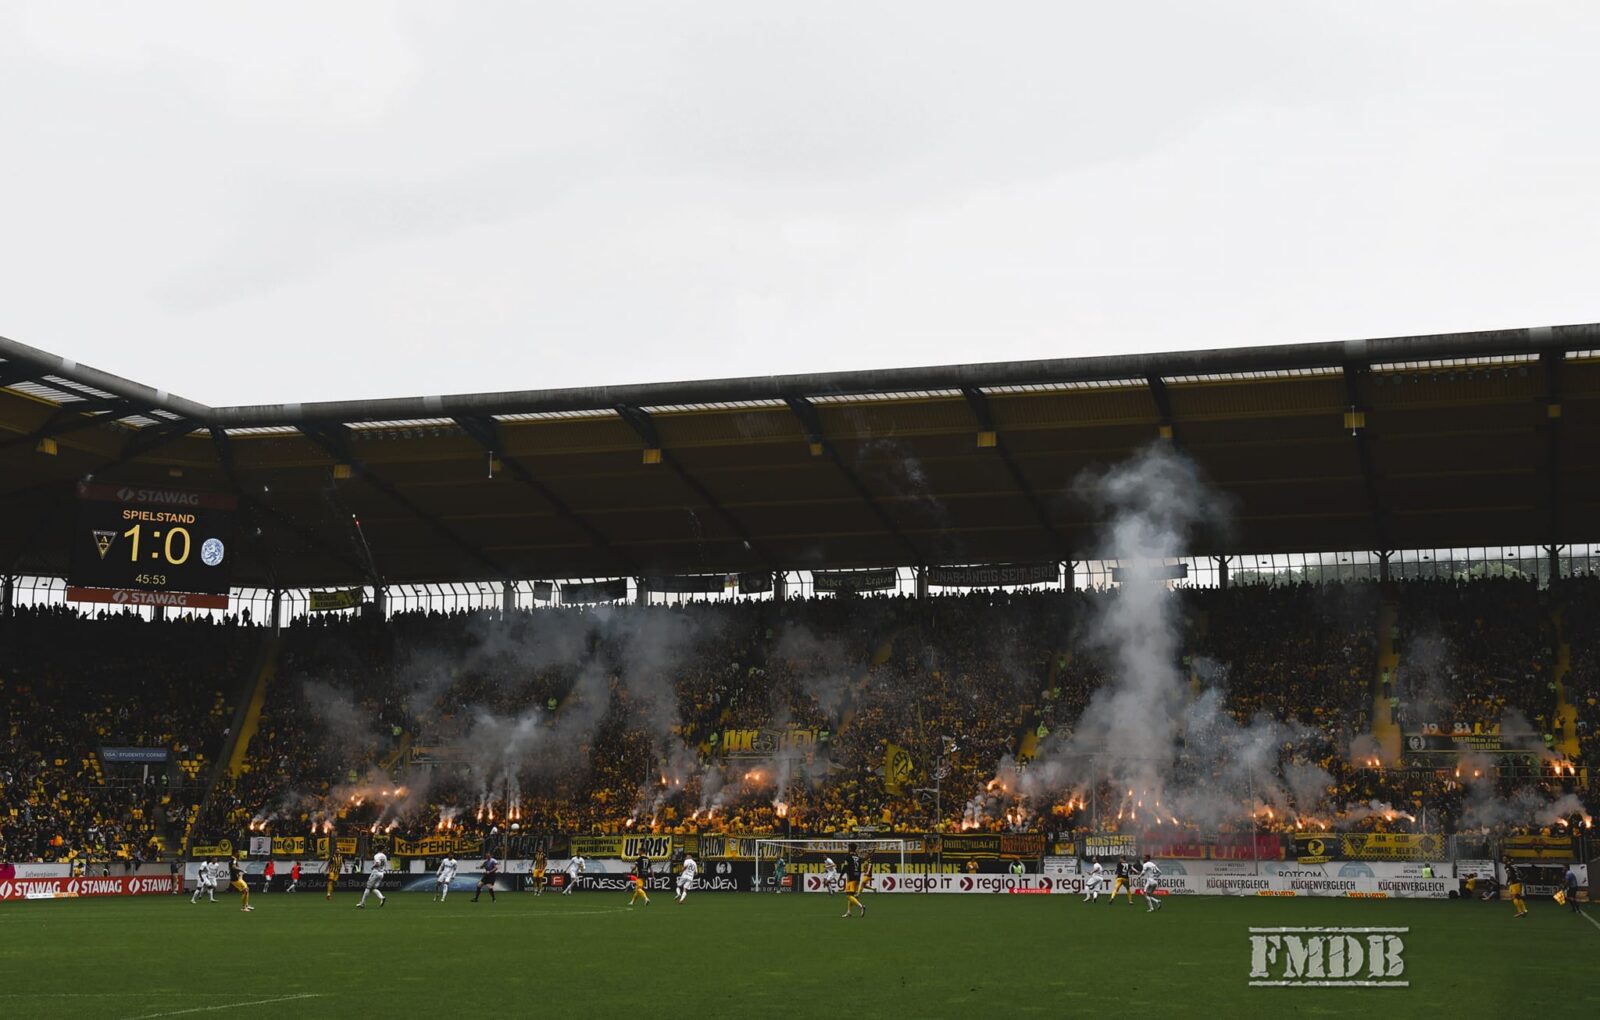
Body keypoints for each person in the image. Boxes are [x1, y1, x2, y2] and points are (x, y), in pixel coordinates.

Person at [840, 844, 866, 919]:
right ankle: (849, 912)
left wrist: (840, 876)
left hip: (851, 877)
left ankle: (861, 906)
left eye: (848, 848)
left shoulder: (847, 856)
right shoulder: (857, 857)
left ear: (851, 848)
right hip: (858, 877)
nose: (848, 849)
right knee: (852, 895)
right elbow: (863, 860)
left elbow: (845, 867)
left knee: (848, 896)